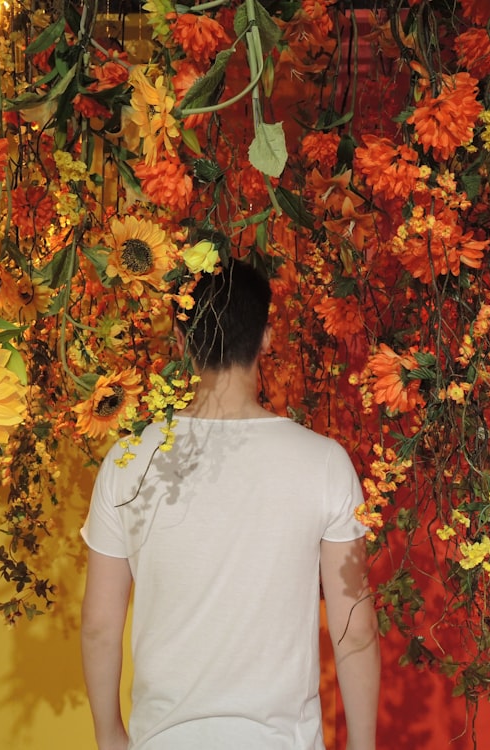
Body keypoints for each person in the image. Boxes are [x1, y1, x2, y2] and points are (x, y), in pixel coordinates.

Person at [80, 258, 380, 750]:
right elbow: (356, 630)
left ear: (180, 343)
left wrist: (110, 736)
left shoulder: (128, 461)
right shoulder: (323, 463)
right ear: (264, 337)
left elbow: (99, 626)